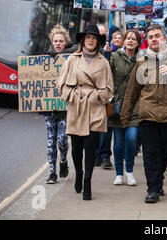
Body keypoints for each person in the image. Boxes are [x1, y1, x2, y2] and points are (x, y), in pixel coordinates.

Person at [120, 24, 167, 203]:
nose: (154, 39)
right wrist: (125, 115)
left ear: (164, 38)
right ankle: (152, 189)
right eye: (150, 36)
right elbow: (132, 91)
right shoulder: (141, 60)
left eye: (157, 35)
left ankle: (157, 180)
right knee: (150, 153)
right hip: (148, 114)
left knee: (165, 153)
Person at [58, 24, 114, 200]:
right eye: (88, 37)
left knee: (90, 147)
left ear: (98, 42)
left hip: (95, 108)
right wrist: (73, 95)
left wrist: (97, 96)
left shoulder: (104, 63)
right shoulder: (72, 59)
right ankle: (79, 174)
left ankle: (88, 181)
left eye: (94, 38)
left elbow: (109, 89)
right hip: (76, 107)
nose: (91, 40)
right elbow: (61, 84)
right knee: (76, 148)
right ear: (83, 40)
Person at [43, 24, 76, 184]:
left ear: (66, 42)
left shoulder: (72, 58)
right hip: (49, 109)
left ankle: (63, 161)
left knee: (62, 139)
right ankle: (52, 173)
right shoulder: (45, 58)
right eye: (55, 40)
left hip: (64, 108)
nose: (57, 43)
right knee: (51, 141)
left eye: (61, 41)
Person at [109, 30, 142, 186]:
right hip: (117, 105)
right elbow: (105, 73)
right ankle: (119, 173)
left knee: (132, 138)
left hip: (134, 105)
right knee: (118, 142)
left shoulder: (142, 59)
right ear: (123, 41)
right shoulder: (115, 56)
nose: (130, 41)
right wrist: (105, 53)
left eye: (133, 39)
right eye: (128, 38)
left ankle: (129, 171)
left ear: (137, 43)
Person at [94, 25, 114, 170]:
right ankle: (95, 155)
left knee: (106, 127)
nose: (101, 37)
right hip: (92, 95)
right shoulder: (88, 52)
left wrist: (109, 53)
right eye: (98, 34)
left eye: (104, 34)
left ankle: (105, 155)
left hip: (107, 94)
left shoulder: (112, 51)